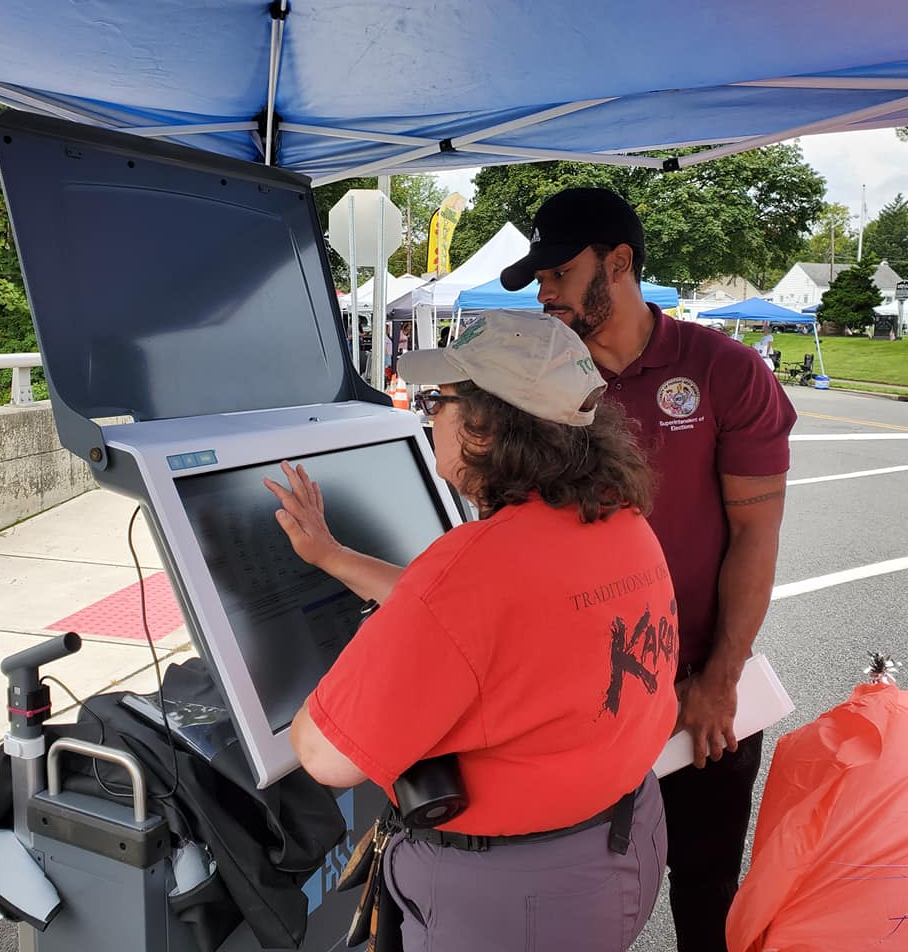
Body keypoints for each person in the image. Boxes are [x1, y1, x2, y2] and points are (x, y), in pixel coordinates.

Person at [264, 309, 679, 952]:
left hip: (519, 899)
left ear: (486, 425)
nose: (432, 416)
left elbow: (326, 756)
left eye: (442, 400)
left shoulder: (476, 566)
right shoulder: (620, 524)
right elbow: (495, 620)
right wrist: (333, 557)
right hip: (624, 843)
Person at [500, 188, 797, 952]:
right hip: (578, 700)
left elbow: (756, 532)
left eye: (559, 272)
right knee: (573, 900)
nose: (546, 293)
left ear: (620, 263)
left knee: (706, 895)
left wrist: (721, 679)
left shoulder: (724, 371)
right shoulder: (538, 388)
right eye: (541, 279)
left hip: (702, 691)